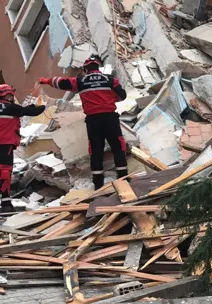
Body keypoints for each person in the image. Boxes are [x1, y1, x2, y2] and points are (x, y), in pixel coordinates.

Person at [38, 55, 128, 190]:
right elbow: (123, 95)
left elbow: (61, 82)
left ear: (86, 69)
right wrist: (108, 100)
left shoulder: (80, 81)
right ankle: (124, 178)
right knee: (118, 147)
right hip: (110, 119)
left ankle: (98, 184)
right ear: (98, 67)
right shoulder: (110, 79)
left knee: (96, 151)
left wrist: (46, 81)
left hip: (93, 121)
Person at [0, 84, 45, 212]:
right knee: (4, 173)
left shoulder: (12, 108)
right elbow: (32, 112)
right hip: (5, 145)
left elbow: (23, 110)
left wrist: (27, 108)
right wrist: (42, 106)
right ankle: (6, 205)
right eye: (9, 95)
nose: (11, 97)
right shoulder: (12, 108)